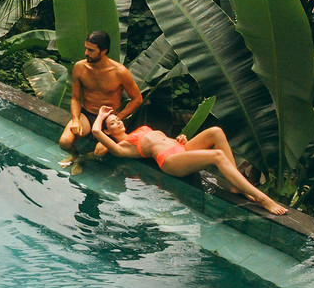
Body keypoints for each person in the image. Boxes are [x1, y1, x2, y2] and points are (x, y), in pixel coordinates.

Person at [88, 105, 289, 215]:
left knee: (216, 132)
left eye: (118, 119)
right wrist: (100, 115)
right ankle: (263, 199)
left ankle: (237, 187)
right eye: (113, 123)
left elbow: (164, 140)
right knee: (216, 156)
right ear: (108, 131)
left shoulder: (138, 130)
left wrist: (179, 139)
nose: (119, 122)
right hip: (171, 161)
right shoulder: (122, 148)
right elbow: (95, 131)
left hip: (180, 147)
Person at [59, 30, 141, 164]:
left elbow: (137, 99)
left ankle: (84, 160)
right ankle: (76, 156)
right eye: (86, 48)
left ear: (104, 51)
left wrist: (118, 118)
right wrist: (75, 120)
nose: (86, 53)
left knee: (99, 152)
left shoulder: (120, 72)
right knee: (65, 142)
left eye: (91, 50)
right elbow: (75, 98)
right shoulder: (80, 67)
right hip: (87, 114)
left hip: (108, 118)